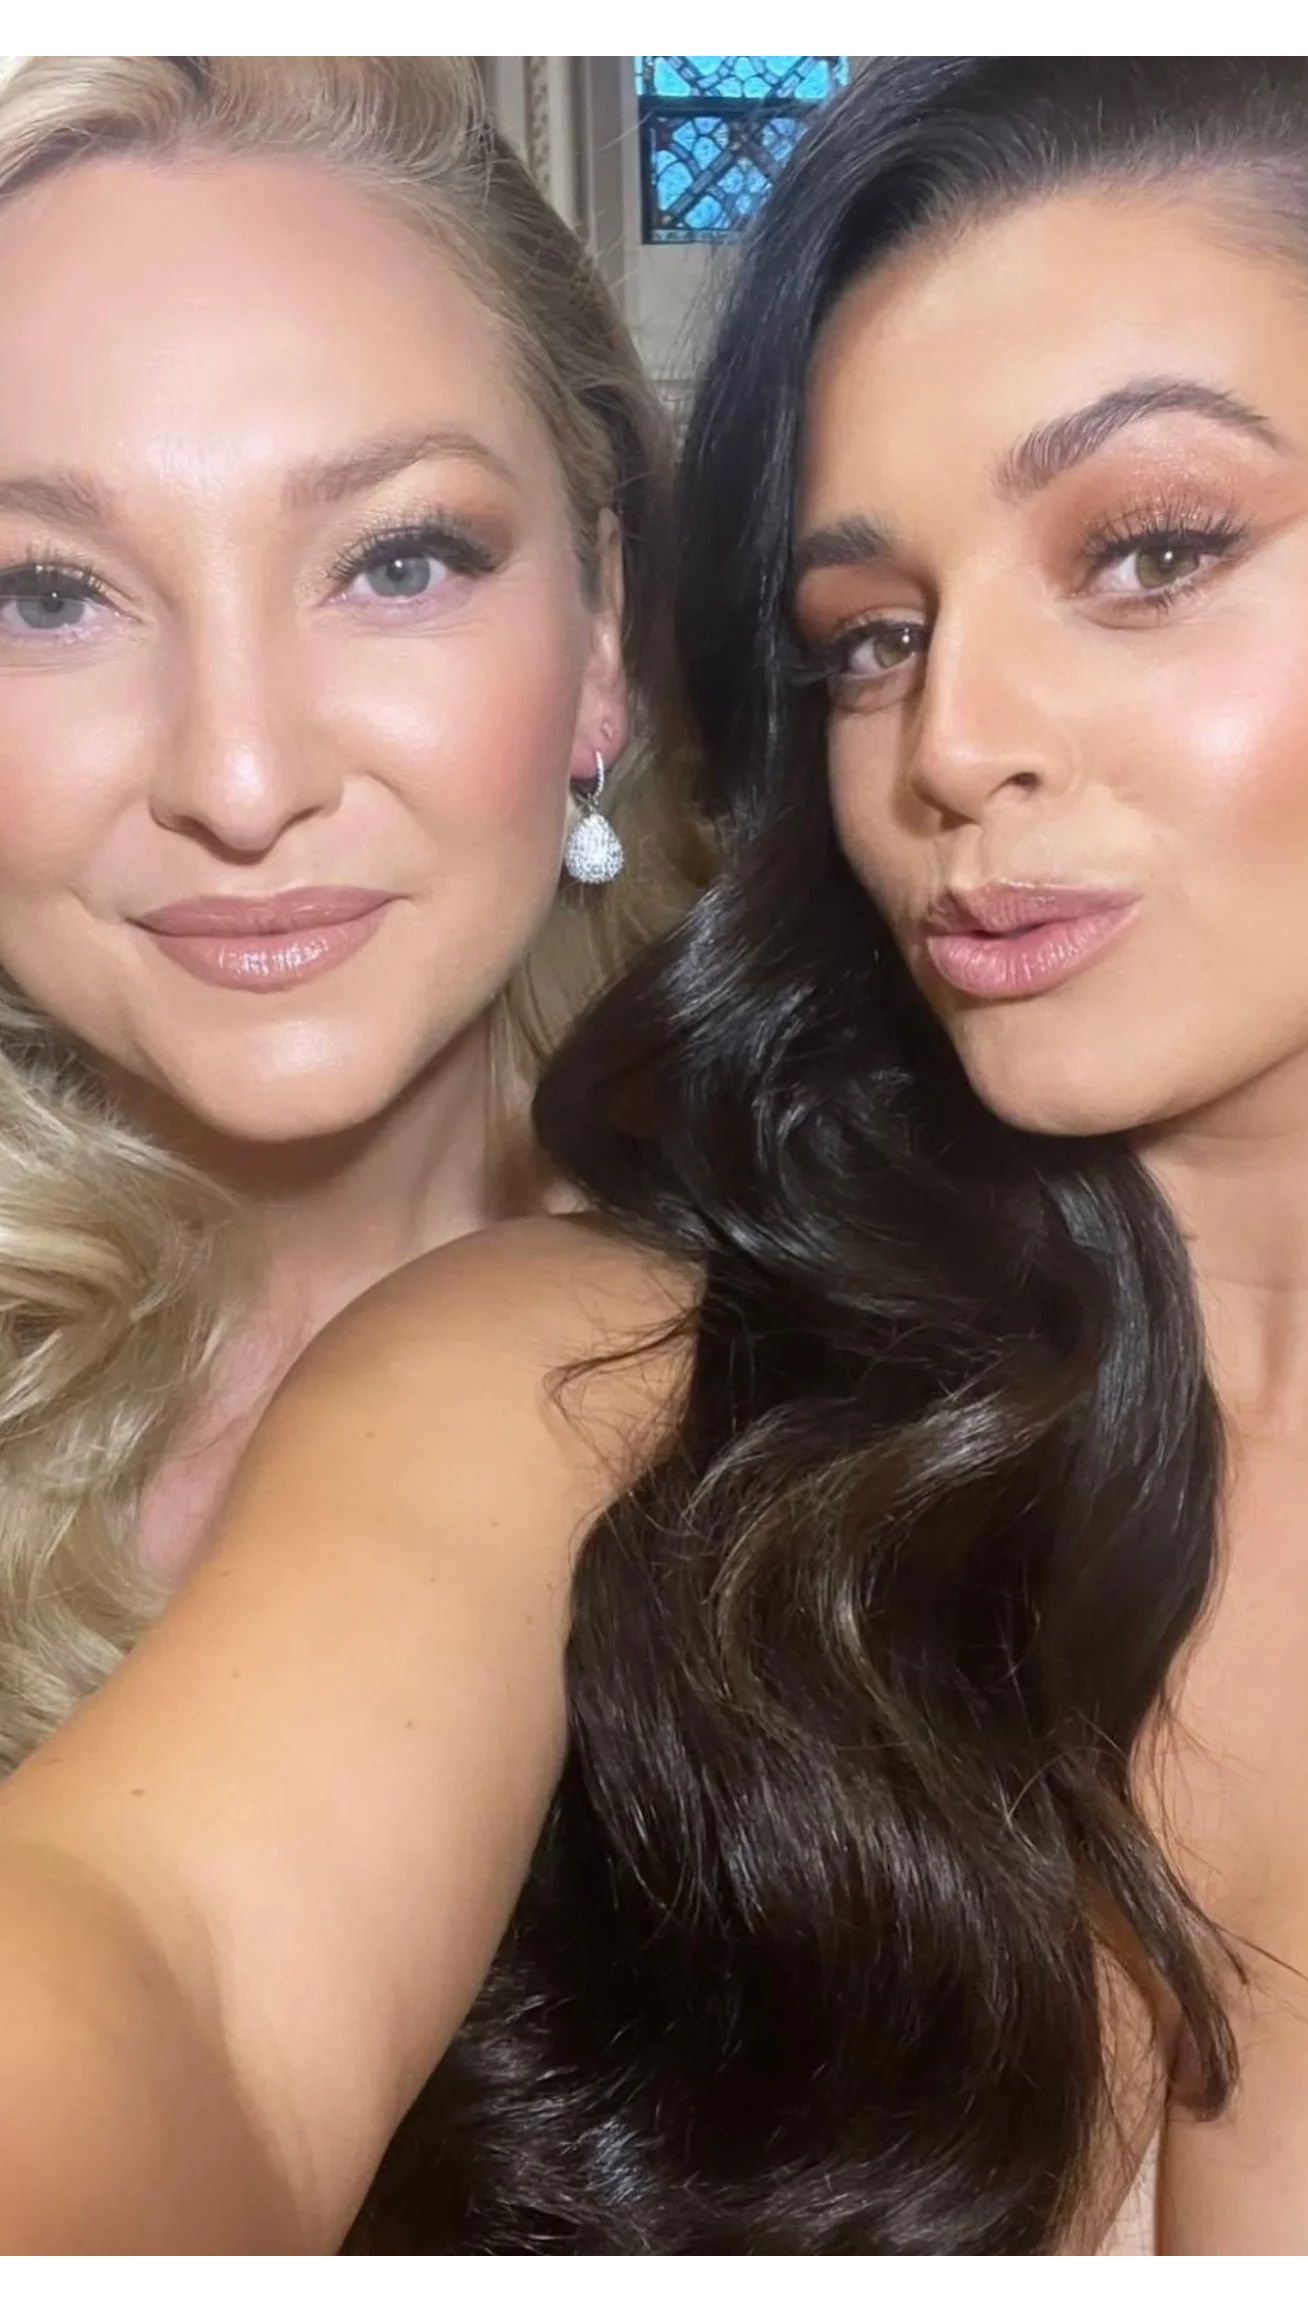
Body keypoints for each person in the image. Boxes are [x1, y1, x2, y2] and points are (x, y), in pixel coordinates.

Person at [0, 57, 1308, 2256]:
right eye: (871, 638)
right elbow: (184, 1963)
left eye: (1153, 550)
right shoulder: (591, 1356)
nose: (953, 737)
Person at [0, 56, 691, 1772]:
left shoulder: (899, 1329)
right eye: (44, 593)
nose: (239, 779)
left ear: (601, 624)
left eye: (398, 562)